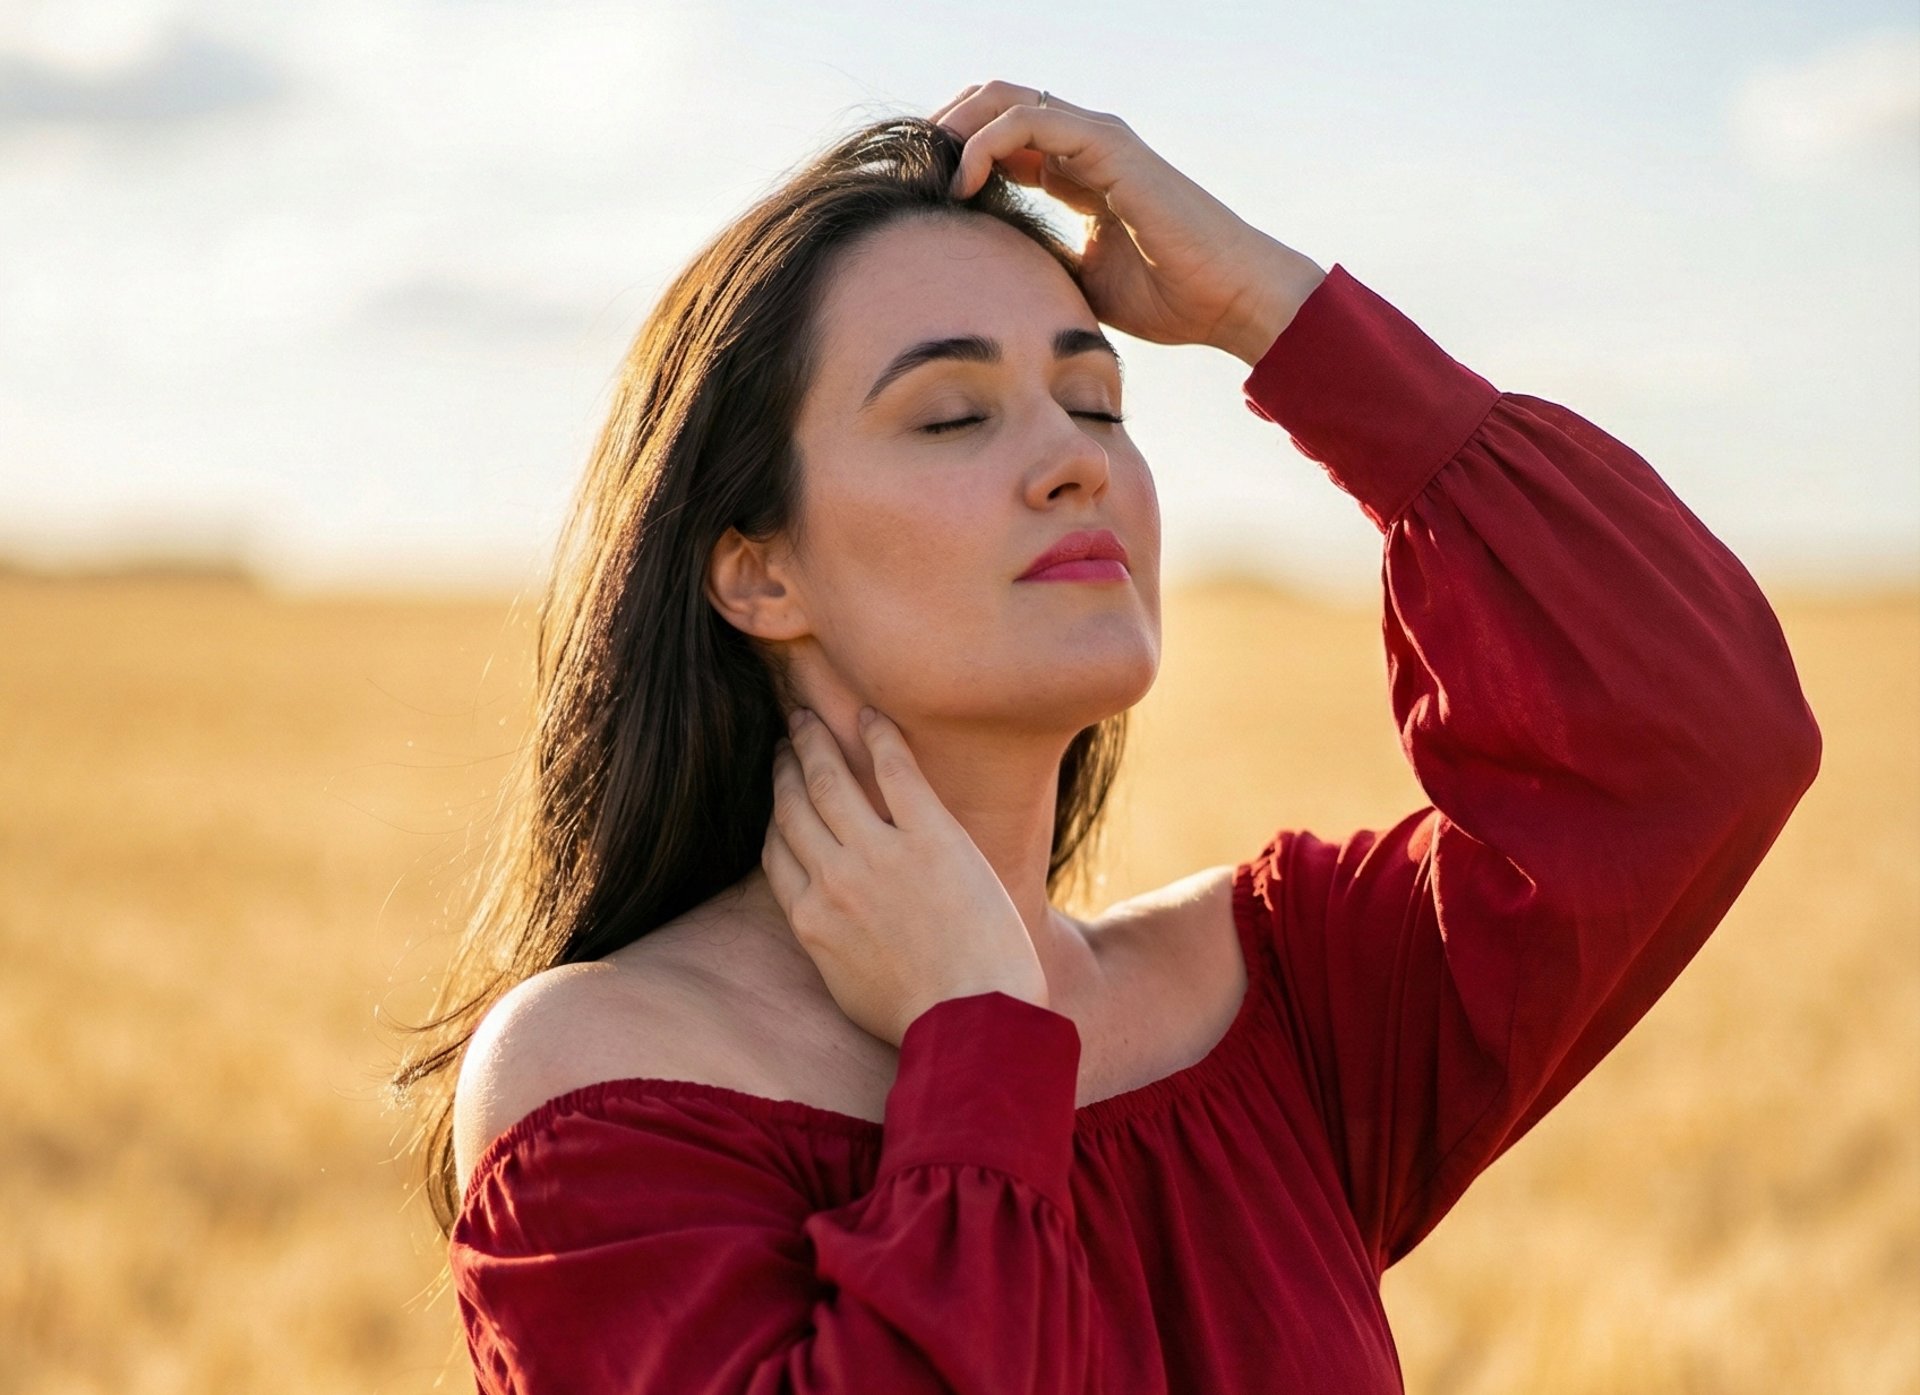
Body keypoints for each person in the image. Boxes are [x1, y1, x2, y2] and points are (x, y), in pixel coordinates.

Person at [390, 80, 1823, 1392]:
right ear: (756, 569)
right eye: (953, 417)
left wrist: (1272, 309)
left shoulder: (1280, 1002)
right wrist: (979, 1037)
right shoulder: (603, 1074)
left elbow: (1700, 742)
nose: (1078, 458)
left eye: (1097, 401)